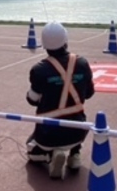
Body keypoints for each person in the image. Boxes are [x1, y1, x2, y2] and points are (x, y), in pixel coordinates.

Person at [25, 21, 95, 180]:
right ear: (66, 40)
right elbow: (89, 93)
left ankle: (49, 156)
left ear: (44, 45)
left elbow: (32, 99)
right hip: (78, 130)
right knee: (73, 120)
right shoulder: (82, 63)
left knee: (30, 150)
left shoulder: (39, 70)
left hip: (48, 133)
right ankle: (75, 154)